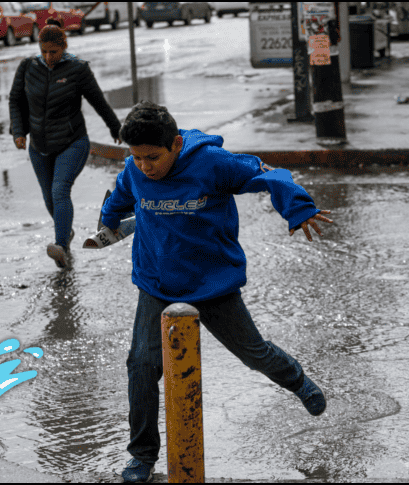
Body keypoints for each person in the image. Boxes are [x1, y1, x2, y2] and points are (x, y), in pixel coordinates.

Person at [100, 102, 333, 483]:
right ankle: (141, 456)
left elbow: (272, 176)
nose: (145, 167)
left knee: (254, 353)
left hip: (212, 283)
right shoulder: (134, 169)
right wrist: (108, 224)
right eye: (137, 157)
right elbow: (120, 198)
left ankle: (296, 380)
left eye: (153, 158)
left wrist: (298, 208)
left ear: (175, 144)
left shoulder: (213, 164)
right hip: (157, 283)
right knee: (141, 366)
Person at [9, 24, 122, 268]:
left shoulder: (77, 69)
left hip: (72, 142)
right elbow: (15, 100)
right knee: (49, 197)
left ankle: (60, 246)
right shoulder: (28, 67)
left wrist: (116, 128)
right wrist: (18, 132)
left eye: (54, 52)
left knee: (60, 190)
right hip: (38, 146)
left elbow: (98, 101)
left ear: (64, 47)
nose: (49, 57)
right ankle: (65, 233)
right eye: (44, 51)